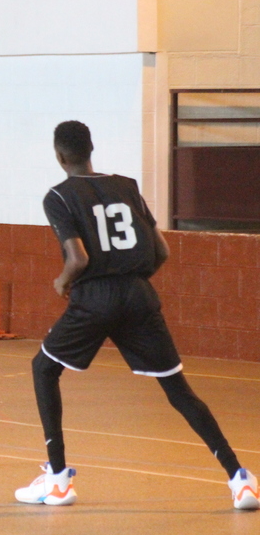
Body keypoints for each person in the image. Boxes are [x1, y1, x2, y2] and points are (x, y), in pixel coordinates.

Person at [15, 120, 258, 510]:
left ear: (59, 156)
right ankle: (239, 478)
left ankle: (57, 479)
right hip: (138, 294)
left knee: (44, 369)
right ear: (91, 149)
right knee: (179, 391)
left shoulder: (58, 196)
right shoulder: (126, 186)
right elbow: (162, 251)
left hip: (94, 297)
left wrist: (62, 281)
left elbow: (79, 258)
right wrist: (132, 283)